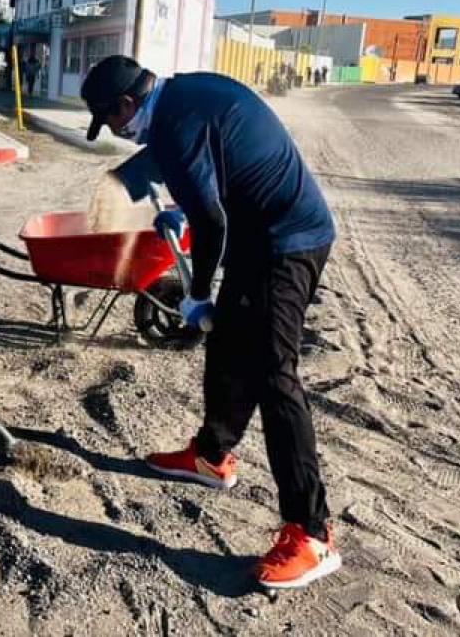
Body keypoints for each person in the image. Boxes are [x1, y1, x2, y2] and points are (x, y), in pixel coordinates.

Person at [81, 55, 340, 591]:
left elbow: (211, 219)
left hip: (289, 242)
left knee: (274, 375)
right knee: (226, 345)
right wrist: (139, 183)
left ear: (127, 104)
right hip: (258, 235)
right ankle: (210, 456)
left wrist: (197, 293)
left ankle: (312, 534)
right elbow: (202, 165)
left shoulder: (174, 122)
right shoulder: (181, 98)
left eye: (108, 119)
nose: (112, 129)